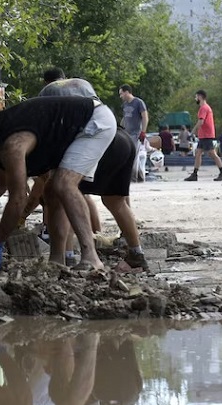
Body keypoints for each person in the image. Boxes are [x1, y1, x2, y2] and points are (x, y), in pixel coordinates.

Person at [0, 95, 117, 271]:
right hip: (73, 128)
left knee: (64, 184)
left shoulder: (12, 145)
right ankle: (57, 260)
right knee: (51, 192)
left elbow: (19, 198)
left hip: (92, 121)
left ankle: (91, 258)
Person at [38, 78, 148, 271]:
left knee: (64, 193)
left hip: (96, 138)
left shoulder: (49, 100)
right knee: (115, 201)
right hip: (121, 138)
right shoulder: (79, 86)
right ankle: (136, 254)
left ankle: (68, 256)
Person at [185, 90, 222, 181]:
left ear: (200, 97)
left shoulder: (203, 108)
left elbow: (201, 121)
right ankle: (195, 174)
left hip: (206, 135)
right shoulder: (206, 107)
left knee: (212, 154)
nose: (195, 99)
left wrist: (192, 132)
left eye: (196, 97)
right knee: (198, 153)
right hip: (204, 135)